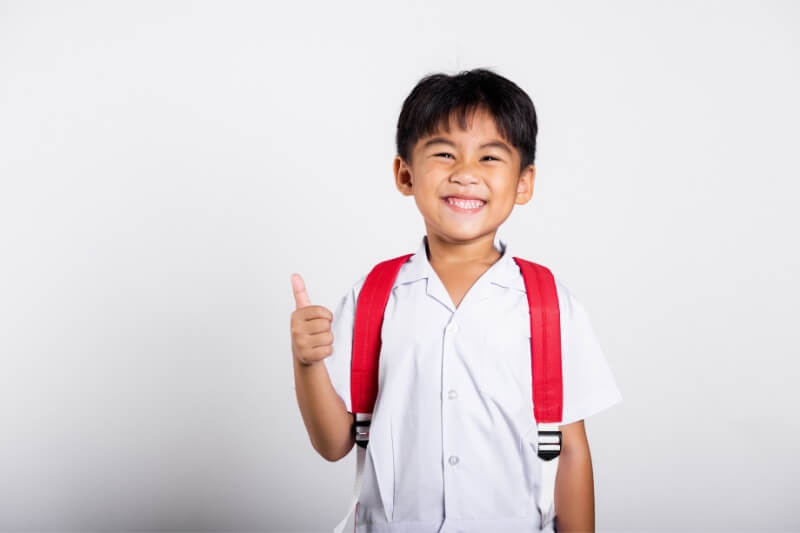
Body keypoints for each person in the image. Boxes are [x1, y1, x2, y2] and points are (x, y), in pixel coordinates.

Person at [290, 68, 622, 533]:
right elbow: (333, 444)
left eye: (489, 157)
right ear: (405, 174)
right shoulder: (374, 297)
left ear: (524, 183)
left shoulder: (548, 304)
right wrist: (307, 364)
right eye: (444, 153)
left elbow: (571, 451)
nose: (465, 173)